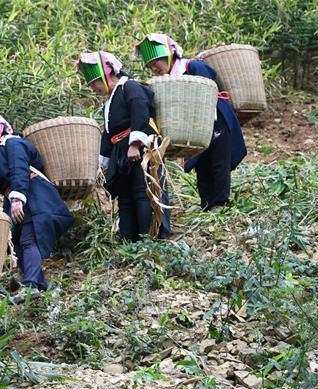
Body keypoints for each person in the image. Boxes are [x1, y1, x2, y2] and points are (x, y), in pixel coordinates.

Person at [0, 108, 74, 302]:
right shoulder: (1, 150)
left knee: (30, 241)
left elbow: (19, 169)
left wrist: (17, 199)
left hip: (34, 199)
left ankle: (31, 286)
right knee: (20, 244)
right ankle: (38, 287)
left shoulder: (12, 143)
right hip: (23, 201)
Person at [136, 33, 247, 211]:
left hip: (215, 117)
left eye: (156, 62)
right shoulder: (167, 80)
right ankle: (206, 203)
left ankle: (220, 202)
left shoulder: (192, 66)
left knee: (219, 160)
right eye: (149, 66)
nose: (153, 68)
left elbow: (208, 88)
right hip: (195, 125)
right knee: (200, 163)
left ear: (168, 55)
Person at [77, 51, 171, 242]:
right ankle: (131, 241)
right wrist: (102, 164)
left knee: (143, 192)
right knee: (125, 197)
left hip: (141, 149)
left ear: (105, 74)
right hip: (121, 152)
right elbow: (109, 133)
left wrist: (135, 144)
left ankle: (152, 238)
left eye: (93, 83)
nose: (92, 88)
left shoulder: (130, 87)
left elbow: (140, 111)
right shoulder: (109, 103)